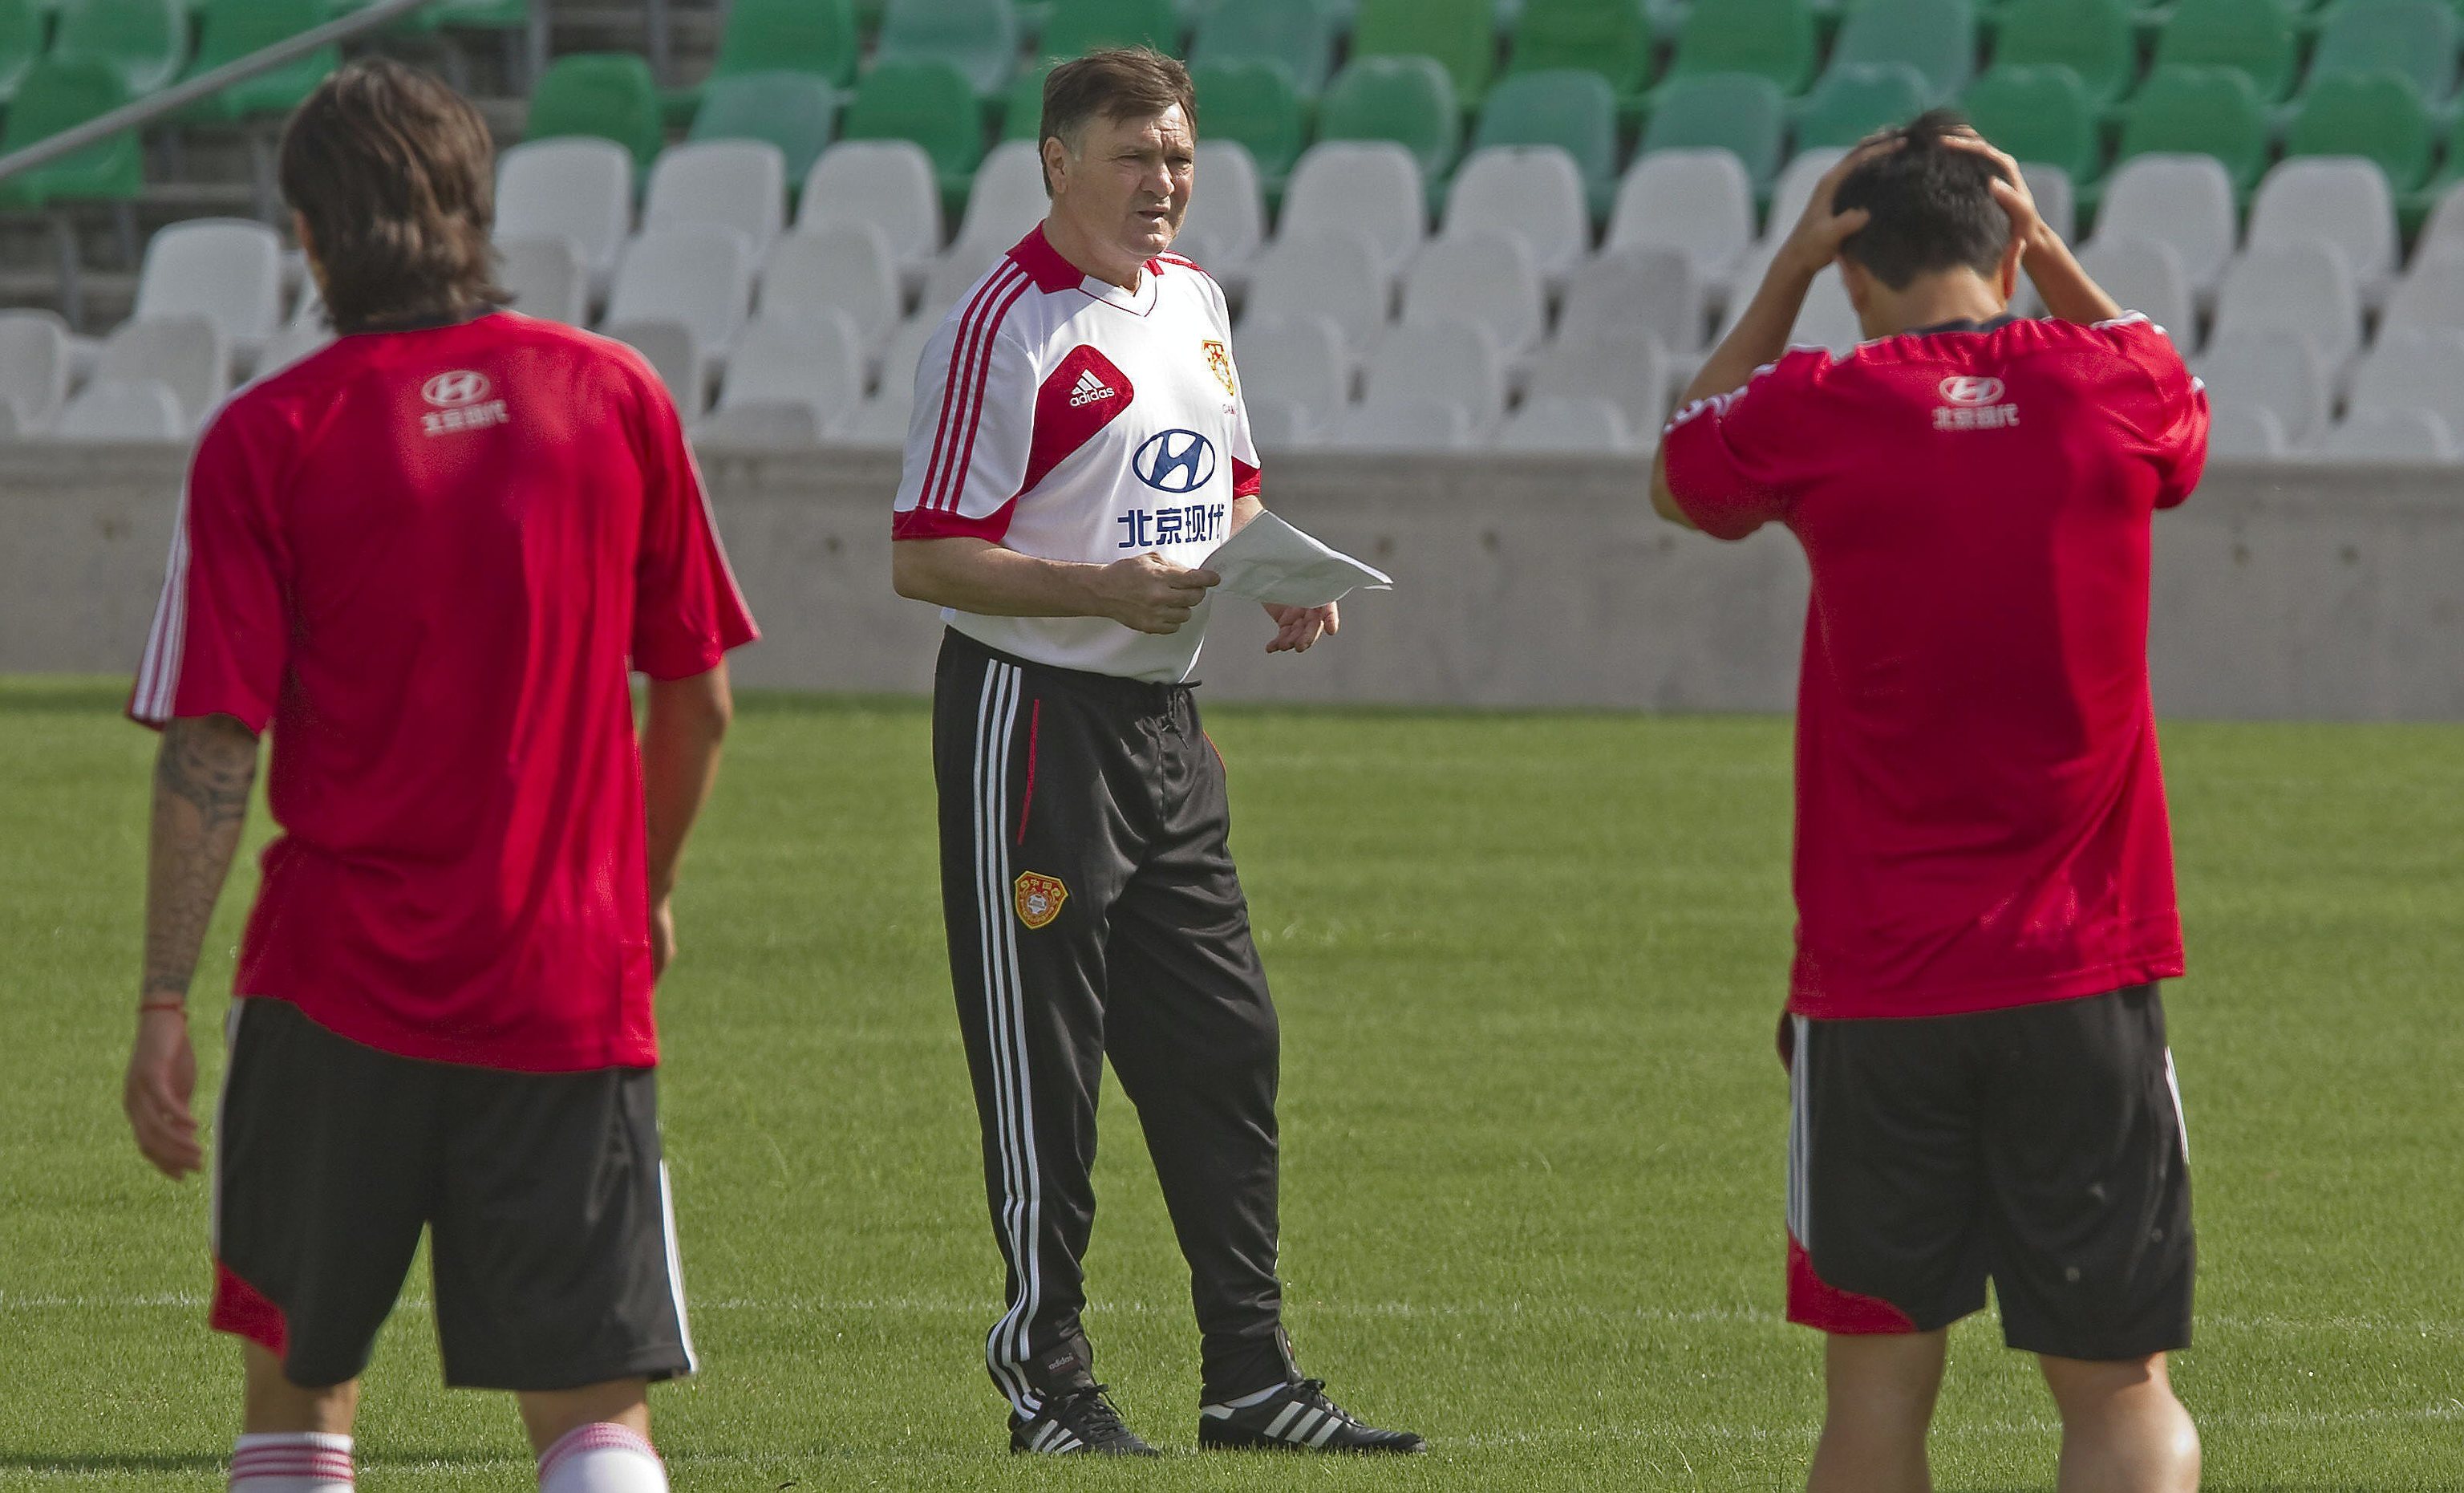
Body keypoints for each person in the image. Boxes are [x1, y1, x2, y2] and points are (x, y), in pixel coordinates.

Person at [120, 60, 756, 1493]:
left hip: (330, 988)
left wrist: (163, 998)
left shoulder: (263, 440)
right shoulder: (614, 397)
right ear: (475, 208)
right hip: (564, 986)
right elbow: (700, 701)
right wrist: (636, 894)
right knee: (596, 1419)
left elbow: (214, 742)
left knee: (295, 1413)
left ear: (309, 234)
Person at [1650, 115, 2209, 1493]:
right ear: (2010, 247)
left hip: (1878, 987)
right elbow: (2183, 404)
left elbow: (1677, 470)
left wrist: (1782, 274)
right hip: (2080, 971)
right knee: (2119, 1390)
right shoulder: (2110, 385)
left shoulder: (1821, 404)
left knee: (1876, 1401)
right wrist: (2057, 257)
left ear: (1852, 270)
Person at [888, 46, 1421, 1459]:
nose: (1163, 184)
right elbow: (927, 554)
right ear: (1059, 161)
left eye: (1178, 157)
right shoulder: (1003, 328)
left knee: (1227, 1043)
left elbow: (1223, 486)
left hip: (1167, 731)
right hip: (1035, 722)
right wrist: (1100, 595)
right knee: (1043, 1070)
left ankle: (1249, 1378)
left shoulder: (1192, 303)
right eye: (1135, 157)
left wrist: (1274, 570)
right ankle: (1047, 1384)